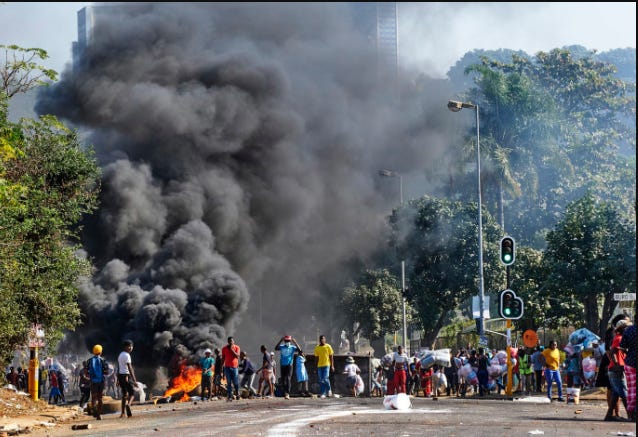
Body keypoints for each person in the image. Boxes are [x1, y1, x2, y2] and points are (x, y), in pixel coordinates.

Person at [605, 318, 632, 421]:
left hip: (615, 368)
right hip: (616, 369)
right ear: (623, 328)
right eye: (627, 327)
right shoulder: (619, 338)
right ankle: (631, 415)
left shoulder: (620, 337)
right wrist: (617, 365)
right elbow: (612, 352)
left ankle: (608, 416)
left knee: (616, 393)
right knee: (624, 392)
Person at [619, 315, 637, 422]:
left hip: (630, 362)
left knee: (632, 389)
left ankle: (631, 414)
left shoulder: (628, 330)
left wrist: (629, 353)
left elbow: (622, 348)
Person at [274, 335, 301, 400]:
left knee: (288, 378)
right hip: (282, 365)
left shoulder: (292, 347)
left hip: (289, 365)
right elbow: (275, 348)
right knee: (283, 380)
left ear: (290, 341)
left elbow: (300, 350)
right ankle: (285, 392)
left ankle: (287, 393)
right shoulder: (282, 347)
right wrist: (280, 340)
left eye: (288, 341)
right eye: (286, 341)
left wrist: (295, 342)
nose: (287, 342)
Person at [117, 339, 138, 418]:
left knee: (124, 395)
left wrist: (118, 379)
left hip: (121, 376)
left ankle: (122, 413)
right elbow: (130, 368)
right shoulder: (127, 355)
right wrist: (134, 381)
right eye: (129, 346)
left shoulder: (120, 355)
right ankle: (128, 405)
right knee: (132, 394)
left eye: (132, 346)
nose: (131, 348)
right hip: (126, 376)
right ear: (125, 347)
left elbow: (119, 367)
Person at [88, 344, 108, 420]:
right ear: (101, 352)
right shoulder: (103, 360)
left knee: (93, 398)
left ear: (93, 351)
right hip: (101, 381)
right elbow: (106, 372)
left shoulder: (90, 361)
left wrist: (91, 380)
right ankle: (99, 414)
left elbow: (89, 372)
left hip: (93, 382)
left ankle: (95, 411)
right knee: (100, 398)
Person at [314, 335, 334, 399]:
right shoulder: (317, 347)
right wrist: (315, 367)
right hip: (319, 365)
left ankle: (329, 389)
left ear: (325, 339)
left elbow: (331, 356)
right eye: (321, 339)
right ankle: (323, 393)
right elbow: (316, 358)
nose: (322, 340)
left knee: (325, 378)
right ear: (319, 340)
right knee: (321, 380)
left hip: (326, 365)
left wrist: (332, 366)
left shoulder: (328, 346)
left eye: (323, 339)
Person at [221, 337, 241, 402]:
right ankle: (229, 396)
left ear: (233, 341)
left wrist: (231, 349)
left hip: (235, 368)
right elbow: (223, 358)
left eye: (231, 341)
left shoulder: (237, 347)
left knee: (235, 382)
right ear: (228, 342)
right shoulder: (224, 349)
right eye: (229, 341)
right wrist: (221, 367)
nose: (230, 342)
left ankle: (237, 393)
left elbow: (237, 356)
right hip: (227, 368)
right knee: (228, 382)